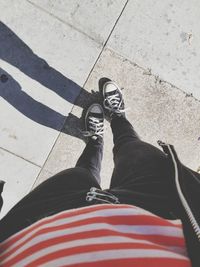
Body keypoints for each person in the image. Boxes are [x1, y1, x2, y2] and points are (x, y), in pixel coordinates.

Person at [0, 79, 199, 266]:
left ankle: (95, 142)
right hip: (165, 211)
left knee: (80, 175)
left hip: (39, 228)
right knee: (133, 150)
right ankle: (117, 118)